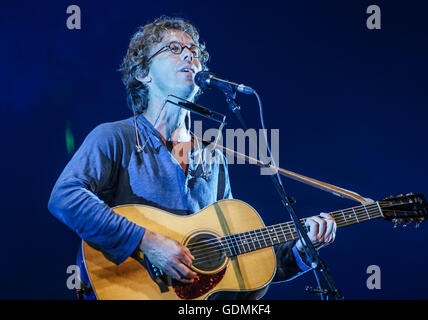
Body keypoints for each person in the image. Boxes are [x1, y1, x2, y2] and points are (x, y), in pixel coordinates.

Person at [48, 15, 337, 300]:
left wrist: (300, 250)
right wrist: (147, 242)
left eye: (194, 52)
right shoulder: (113, 137)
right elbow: (65, 197)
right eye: (174, 49)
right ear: (142, 73)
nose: (189, 55)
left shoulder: (213, 157)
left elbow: (232, 259)